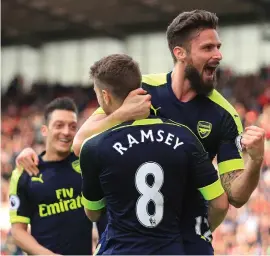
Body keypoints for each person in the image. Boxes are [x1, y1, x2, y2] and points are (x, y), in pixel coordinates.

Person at [72, 10, 265, 255]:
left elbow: (234, 195)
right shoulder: (141, 89)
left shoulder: (224, 114)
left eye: (218, 47)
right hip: (129, 236)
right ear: (180, 53)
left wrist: (256, 161)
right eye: (208, 48)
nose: (218, 55)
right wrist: (120, 114)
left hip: (189, 239)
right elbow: (81, 143)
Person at [80, 53, 228, 255]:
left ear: (105, 96)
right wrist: (202, 231)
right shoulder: (184, 137)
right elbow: (219, 203)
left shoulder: (94, 147)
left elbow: (93, 213)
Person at [9, 97, 94, 255]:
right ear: (44, 130)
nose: (66, 132)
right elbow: (18, 232)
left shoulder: (86, 163)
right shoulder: (24, 172)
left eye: (72, 126)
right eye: (59, 125)